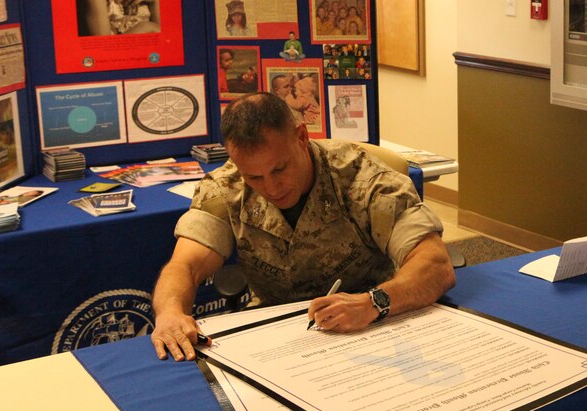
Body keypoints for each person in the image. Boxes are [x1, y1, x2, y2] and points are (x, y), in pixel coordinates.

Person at [151, 92, 454, 361]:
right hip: (275, 334)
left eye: (279, 168)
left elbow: (435, 264)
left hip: (369, 325)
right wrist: (170, 312)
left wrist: (374, 302)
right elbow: (185, 266)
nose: (271, 187)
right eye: (254, 177)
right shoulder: (225, 187)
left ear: (301, 137)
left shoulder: (362, 179)